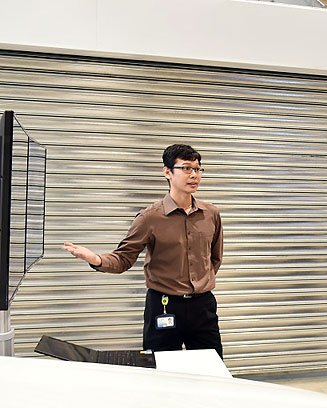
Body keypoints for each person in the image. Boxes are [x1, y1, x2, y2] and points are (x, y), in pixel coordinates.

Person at [63, 144, 224, 357]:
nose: (194, 175)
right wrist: (96, 259)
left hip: (203, 307)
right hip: (164, 306)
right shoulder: (150, 217)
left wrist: (201, 282)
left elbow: (215, 258)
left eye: (197, 169)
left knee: (212, 366)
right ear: (167, 172)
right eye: (186, 168)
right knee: (162, 367)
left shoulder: (210, 214)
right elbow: (124, 258)